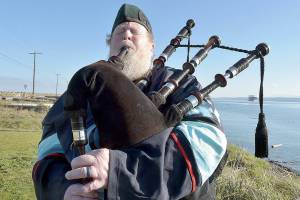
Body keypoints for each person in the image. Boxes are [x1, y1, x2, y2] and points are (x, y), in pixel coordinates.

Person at [32, 3, 227, 200]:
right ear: (109, 45)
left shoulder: (182, 82)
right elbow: (49, 154)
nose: (126, 35)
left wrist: (118, 170)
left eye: (134, 31)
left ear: (152, 46)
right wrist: (64, 189)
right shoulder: (85, 85)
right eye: (120, 32)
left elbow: (206, 140)